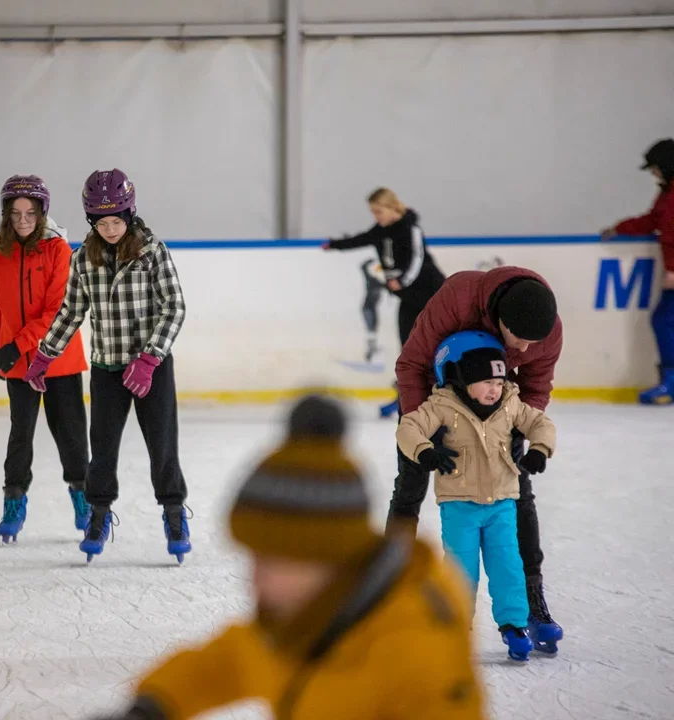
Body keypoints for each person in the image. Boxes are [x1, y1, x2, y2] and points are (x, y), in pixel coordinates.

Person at [91, 395, 487, 720]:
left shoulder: (417, 650)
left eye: (272, 562)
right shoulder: (306, 615)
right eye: (254, 559)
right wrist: (152, 707)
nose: (255, 581)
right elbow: (228, 662)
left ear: (331, 557)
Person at [392, 266, 563, 652]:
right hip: (434, 402)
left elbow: (537, 385)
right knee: (410, 487)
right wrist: (426, 433)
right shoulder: (458, 299)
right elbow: (411, 365)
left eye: (533, 342)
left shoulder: (547, 329)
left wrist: (517, 432)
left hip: (497, 405)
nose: (524, 350)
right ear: (500, 320)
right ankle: (389, 589)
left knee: (519, 493)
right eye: (518, 339)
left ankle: (531, 601)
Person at [23, 169, 191, 564]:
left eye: (116, 221)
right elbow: (71, 312)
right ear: (91, 222)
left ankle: (174, 514)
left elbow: (175, 307)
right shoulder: (83, 259)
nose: (110, 230)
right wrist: (44, 355)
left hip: (151, 368)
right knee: (101, 449)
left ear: (129, 215)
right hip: (107, 369)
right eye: (101, 223)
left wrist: (150, 357)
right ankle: (97, 517)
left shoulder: (153, 252)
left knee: (162, 446)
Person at [0, 175, 90, 543]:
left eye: (30, 213)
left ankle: (84, 499)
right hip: (19, 364)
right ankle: (14, 501)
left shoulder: (59, 250)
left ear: (42, 213)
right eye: (16, 213)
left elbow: (57, 311)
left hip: (58, 358)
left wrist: (16, 345)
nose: (23, 220)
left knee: (71, 435)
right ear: (6, 215)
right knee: (20, 436)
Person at [324, 187, 446, 417]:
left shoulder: (410, 228)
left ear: (392, 208)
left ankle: (441, 390)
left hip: (431, 295)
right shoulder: (380, 230)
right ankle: (409, 392)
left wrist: (403, 280)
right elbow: (361, 239)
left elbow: (417, 258)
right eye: (373, 212)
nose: (376, 217)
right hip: (408, 298)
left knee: (434, 345)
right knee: (407, 346)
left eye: (378, 211)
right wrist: (335, 244)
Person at [601, 138, 674, 404]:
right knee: (663, 320)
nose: (653, 173)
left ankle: (671, 382)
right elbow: (653, 220)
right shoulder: (667, 193)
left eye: (655, 168)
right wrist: (620, 227)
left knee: (664, 320)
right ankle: (669, 380)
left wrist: (673, 270)